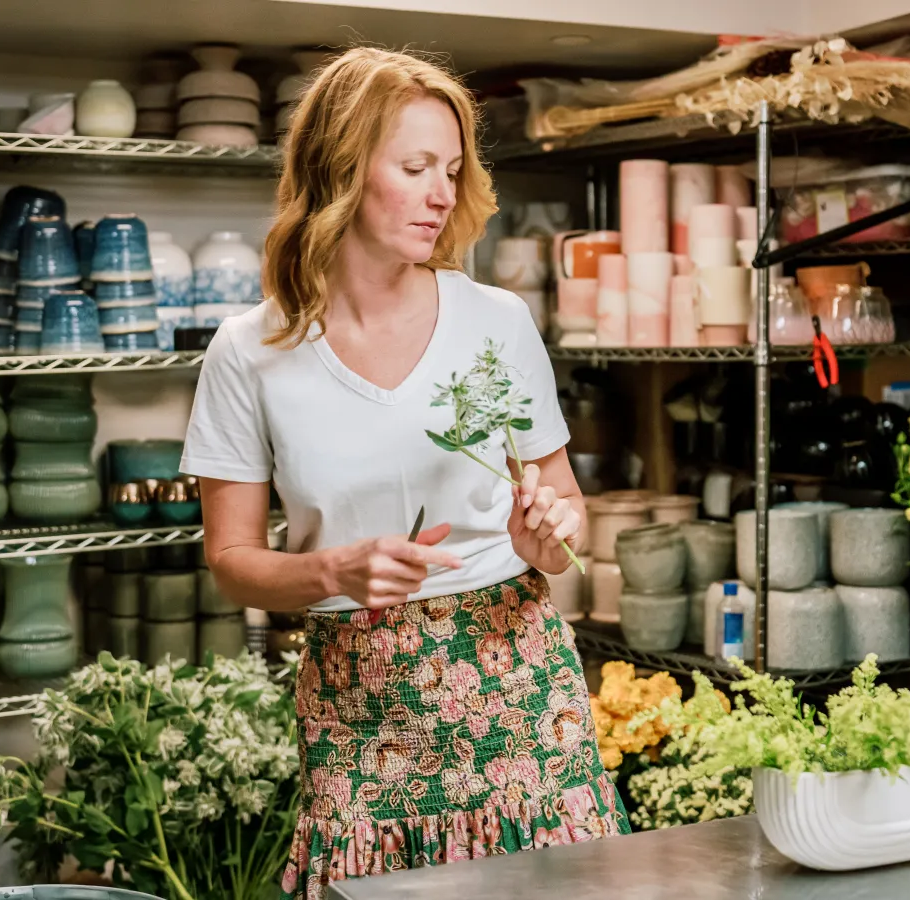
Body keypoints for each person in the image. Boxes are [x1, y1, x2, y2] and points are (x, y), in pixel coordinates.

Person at [180, 48, 628, 894]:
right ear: (341, 170)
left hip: (516, 688)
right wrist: (328, 570)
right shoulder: (250, 351)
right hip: (358, 702)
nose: (441, 194)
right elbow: (231, 561)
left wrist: (548, 534)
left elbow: (561, 507)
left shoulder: (496, 321)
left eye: (453, 171)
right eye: (416, 167)